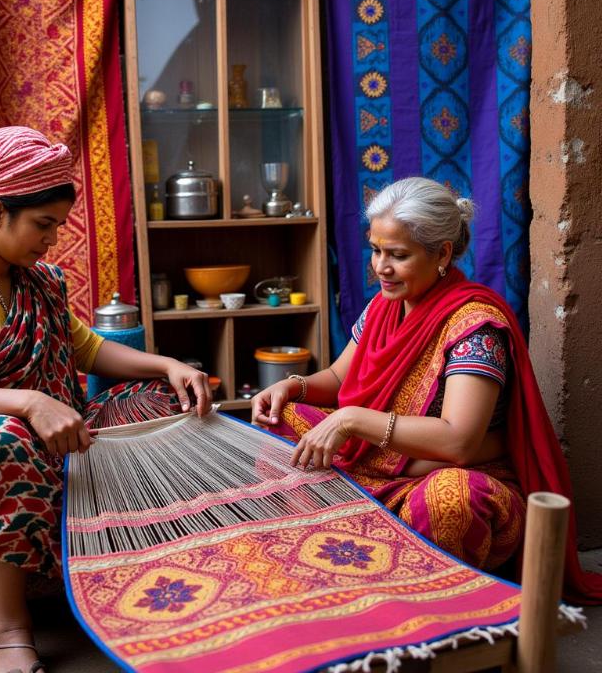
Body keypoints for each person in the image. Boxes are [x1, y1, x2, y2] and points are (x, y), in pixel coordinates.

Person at [0, 126, 212, 673]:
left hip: (40, 456)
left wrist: (169, 366)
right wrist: (30, 402)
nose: (52, 239)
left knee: (152, 400)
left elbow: (87, 349)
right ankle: (8, 626)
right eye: (42, 224)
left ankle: (128, 538)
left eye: (57, 225)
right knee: (2, 436)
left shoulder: (35, 280)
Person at [252, 177, 602, 603]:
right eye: (376, 250)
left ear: (442, 254)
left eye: (398, 255)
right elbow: (342, 379)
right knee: (279, 424)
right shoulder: (385, 306)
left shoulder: (475, 327)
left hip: (449, 478)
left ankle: (428, 602)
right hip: (379, 467)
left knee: (449, 502)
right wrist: (293, 386)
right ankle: (343, 556)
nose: (381, 267)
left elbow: (458, 441)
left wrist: (350, 420)